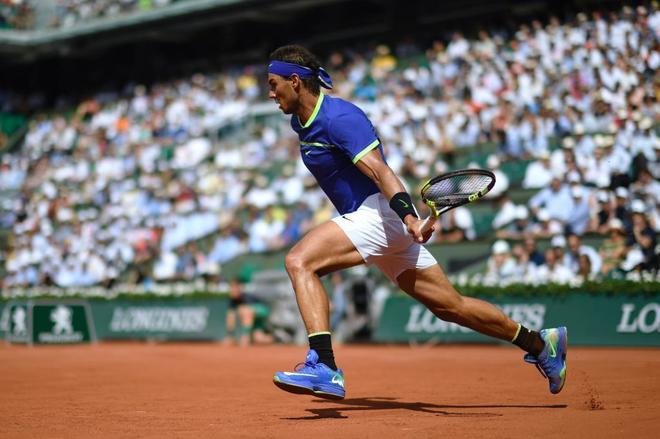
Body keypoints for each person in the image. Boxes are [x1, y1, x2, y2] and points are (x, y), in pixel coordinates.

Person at [266, 45, 567, 400]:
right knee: (450, 307)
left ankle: (325, 365)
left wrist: (408, 216)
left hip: (377, 214)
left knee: (300, 261)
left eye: (274, 84)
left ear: (296, 81)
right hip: (372, 222)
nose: (271, 93)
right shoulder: (299, 122)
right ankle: (540, 343)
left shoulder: (340, 118)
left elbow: (380, 170)